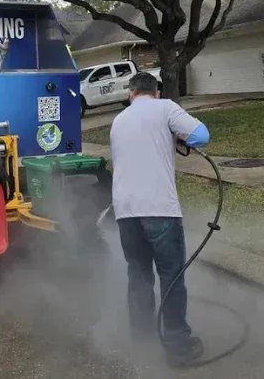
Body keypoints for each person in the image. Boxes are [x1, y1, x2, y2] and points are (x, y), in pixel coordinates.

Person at [109, 71, 210, 367]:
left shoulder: (119, 120)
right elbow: (201, 136)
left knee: (139, 274)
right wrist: (178, 134)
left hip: (126, 212)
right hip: (159, 209)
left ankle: (141, 338)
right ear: (155, 92)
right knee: (171, 277)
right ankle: (178, 346)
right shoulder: (165, 107)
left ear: (130, 94)